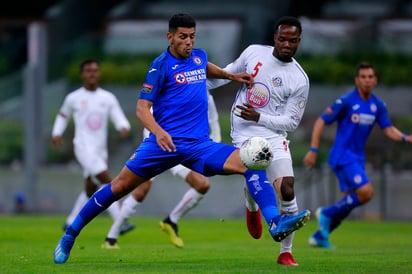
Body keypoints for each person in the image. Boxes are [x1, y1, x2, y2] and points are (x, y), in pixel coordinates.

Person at [53, 13, 310, 265]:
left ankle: (274, 221)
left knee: (250, 163)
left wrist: (230, 76)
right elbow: (142, 109)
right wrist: (159, 132)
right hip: (162, 145)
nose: (189, 42)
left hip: (199, 145)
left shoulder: (198, 56)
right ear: (170, 37)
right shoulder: (159, 66)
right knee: (118, 188)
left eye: (192, 37)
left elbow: (204, 68)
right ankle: (70, 234)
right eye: (183, 37)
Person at [207, 16, 310, 266]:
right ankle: (253, 204)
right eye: (282, 39)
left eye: (293, 40)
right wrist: (202, 86)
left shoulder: (299, 79)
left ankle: (286, 252)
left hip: (273, 134)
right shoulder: (254, 52)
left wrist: (260, 116)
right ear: (274, 38)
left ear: (299, 41)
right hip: (244, 131)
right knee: (254, 170)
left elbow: (291, 122)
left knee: (287, 188)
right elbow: (228, 74)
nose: (287, 44)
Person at [303, 62, 412, 249]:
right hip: (343, 156)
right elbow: (321, 121)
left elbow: (388, 129)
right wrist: (313, 150)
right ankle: (326, 213)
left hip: (357, 158)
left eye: (370, 76)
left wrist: (405, 137)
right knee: (366, 192)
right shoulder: (346, 101)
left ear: (375, 80)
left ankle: (321, 235)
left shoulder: (377, 105)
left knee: (349, 203)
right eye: (363, 76)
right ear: (357, 80)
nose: (367, 80)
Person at [102, 91, 221, 249]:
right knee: (141, 189)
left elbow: (213, 119)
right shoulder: (167, 87)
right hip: (158, 146)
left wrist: (214, 142)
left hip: (182, 149)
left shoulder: (204, 95)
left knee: (202, 185)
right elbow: (147, 115)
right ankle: (111, 238)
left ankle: (171, 221)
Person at [51, 59, 134, 235]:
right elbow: (63, 116)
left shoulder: (107, 97)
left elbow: (117, 115)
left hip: (100, 150)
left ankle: (70, 221)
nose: (92, 74)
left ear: (99, 74)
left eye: (95, 71)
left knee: (91, 188)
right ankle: (120, 221)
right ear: (82, 75)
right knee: (107, 180)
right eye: (88, 71)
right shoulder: (73, 97)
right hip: (82, 147)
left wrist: (123, 125)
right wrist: (57, 133)